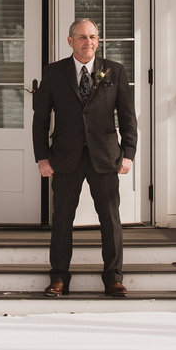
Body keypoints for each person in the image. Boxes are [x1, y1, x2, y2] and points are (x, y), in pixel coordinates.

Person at [32, 17, 138, 298]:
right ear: (70, 41)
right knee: (63, 219)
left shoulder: (114, 71)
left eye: (92, 37)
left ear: (98, 41)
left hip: (104, 157)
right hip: (65, 157)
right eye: (82, 37)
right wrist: (42, 157)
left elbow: (128, 117)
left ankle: (113, 278)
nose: (88, 42)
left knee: (111, 220)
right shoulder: (54, 73)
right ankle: (59, 279)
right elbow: (41, 119)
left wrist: (128, 153)